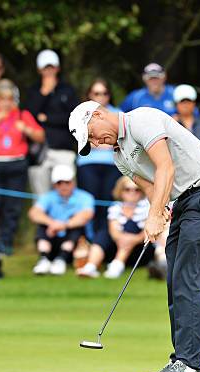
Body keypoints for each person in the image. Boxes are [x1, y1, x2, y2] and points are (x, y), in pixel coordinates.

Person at [69, 101, 200, 372]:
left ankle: (189, 363)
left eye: (92, 135)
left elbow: (165, 168)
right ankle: (183, 359)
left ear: (97, 114)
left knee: (188, 278)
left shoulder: (141, 119)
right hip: (184, 202)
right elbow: (151, 187)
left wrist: (155, 215)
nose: (96, 143)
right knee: (175, 279)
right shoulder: (120, 158)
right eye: (90, 143)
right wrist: (158, 212)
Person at [0, 79, 45, 254]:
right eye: (2, 98)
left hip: (16, 164)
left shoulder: (22, 115)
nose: (6, 102)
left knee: (12, 206)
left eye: (9, 99)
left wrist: (26, 130)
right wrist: (0, 115)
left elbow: (40, 136)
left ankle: (6, 243)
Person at [76, 78, 121, 256]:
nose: (101, 97)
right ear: (89, 95)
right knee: (90, 205)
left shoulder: (117, 113)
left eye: (104, 93)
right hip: (87, 165)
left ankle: (104, 247)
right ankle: (88, 243)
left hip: (113, 165)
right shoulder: (80, 114)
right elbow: (84, 142)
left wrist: (99, 140)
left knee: (108, 205)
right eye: (96, 93)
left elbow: (120, 140)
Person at [77, 177, 155, 279]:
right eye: (127, 189)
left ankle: (117, 266)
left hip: (140, 252)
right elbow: (114, 233)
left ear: (142, 192)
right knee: (103, 233)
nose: (132, 193)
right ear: (121, 191)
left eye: (137, 189)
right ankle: (91, 266)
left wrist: (129, 239)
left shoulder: (147, 207)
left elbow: (146, 234)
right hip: (116, 246)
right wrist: (124, 239)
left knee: (130, 226)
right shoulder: (115, 207)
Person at [25, 49, 79, 195]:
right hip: (38, 152)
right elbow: (28, 116)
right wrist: (44, 93)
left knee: (66, 195)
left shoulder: (68, 90)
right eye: (45, 67)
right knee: (41, 198)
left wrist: (47, 119)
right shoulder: (33, 91)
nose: (49, 71)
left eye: (52, 67)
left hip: (63, 150)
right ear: (39, 69)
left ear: (58, 68)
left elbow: (74, 118)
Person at [28, 165, 94, 276]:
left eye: (67, 182)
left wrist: (63, 225)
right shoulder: (48, 197)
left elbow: (86, 216)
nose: (64, 186)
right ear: (54, 185)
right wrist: (52, 223)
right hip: (53, 239)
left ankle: (61, 259)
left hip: (75, 245)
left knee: (77, 227)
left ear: (73, 182)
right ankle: (44, 259)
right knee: (42, 226)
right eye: (59, 183)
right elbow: (34, 213)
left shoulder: (85, 197)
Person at [173, 84, 200, 155]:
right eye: (182, 101)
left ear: (194, 103)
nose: (185, 105)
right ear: (176, 104)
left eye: (189, 101)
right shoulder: (171, 123)